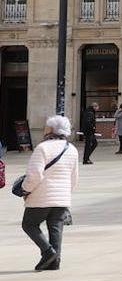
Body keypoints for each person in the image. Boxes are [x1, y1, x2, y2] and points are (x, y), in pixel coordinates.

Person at [20, 115, 79, 271]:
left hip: (42, 196)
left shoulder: (43, 148)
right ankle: (55, 261)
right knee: (56, 228)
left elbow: (34, 175)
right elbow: (74, 177)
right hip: (62, 197)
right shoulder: (71, 149)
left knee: (29, 224)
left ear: (51, 129)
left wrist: (26, 189)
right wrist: (67, 194)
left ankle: (47, 252)